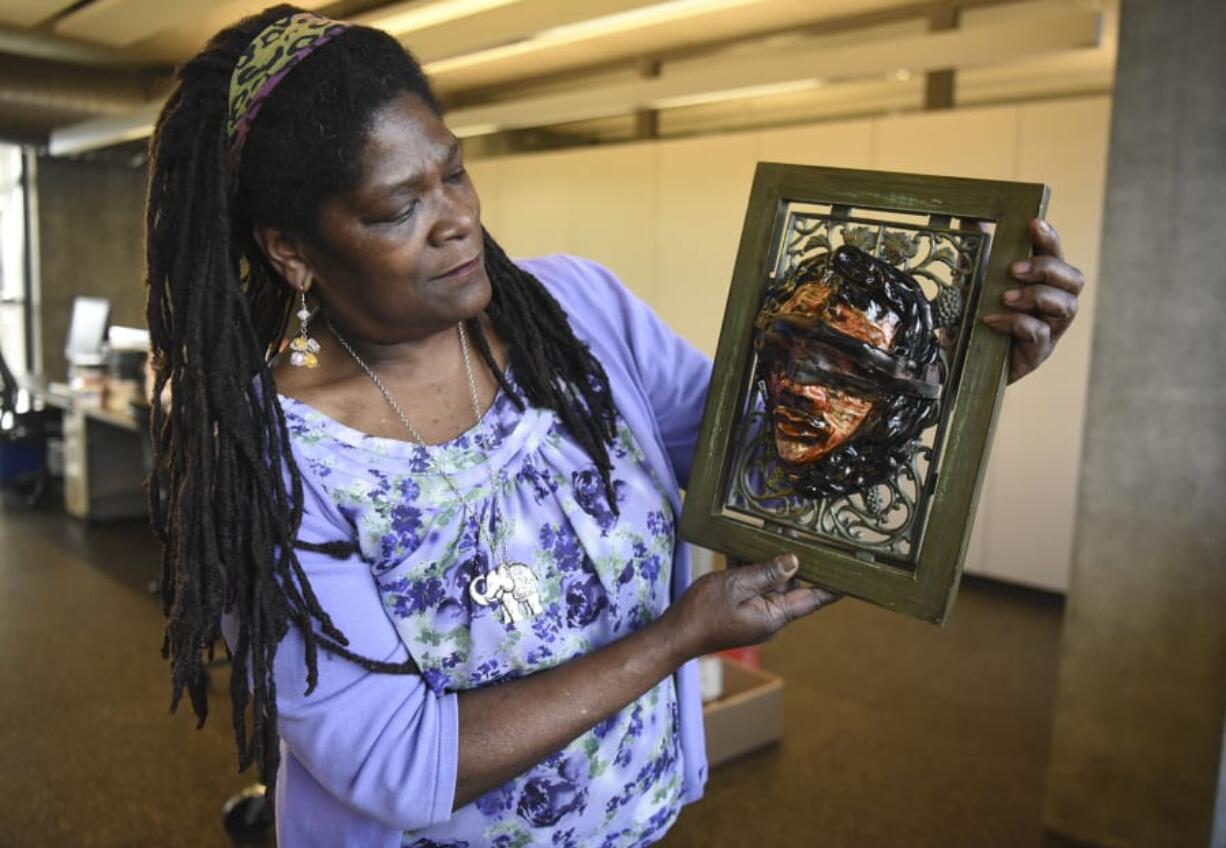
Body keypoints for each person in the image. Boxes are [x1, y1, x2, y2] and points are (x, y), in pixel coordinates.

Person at [144, 6, 1086, 847]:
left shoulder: (574, 311)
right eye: (401, 207)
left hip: (641, 815)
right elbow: (396, 762)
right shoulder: (269, 460)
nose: (459, 221)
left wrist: (942, 377)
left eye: (457, 172)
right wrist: (677, 638)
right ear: (291, 250)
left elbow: (752, 458)